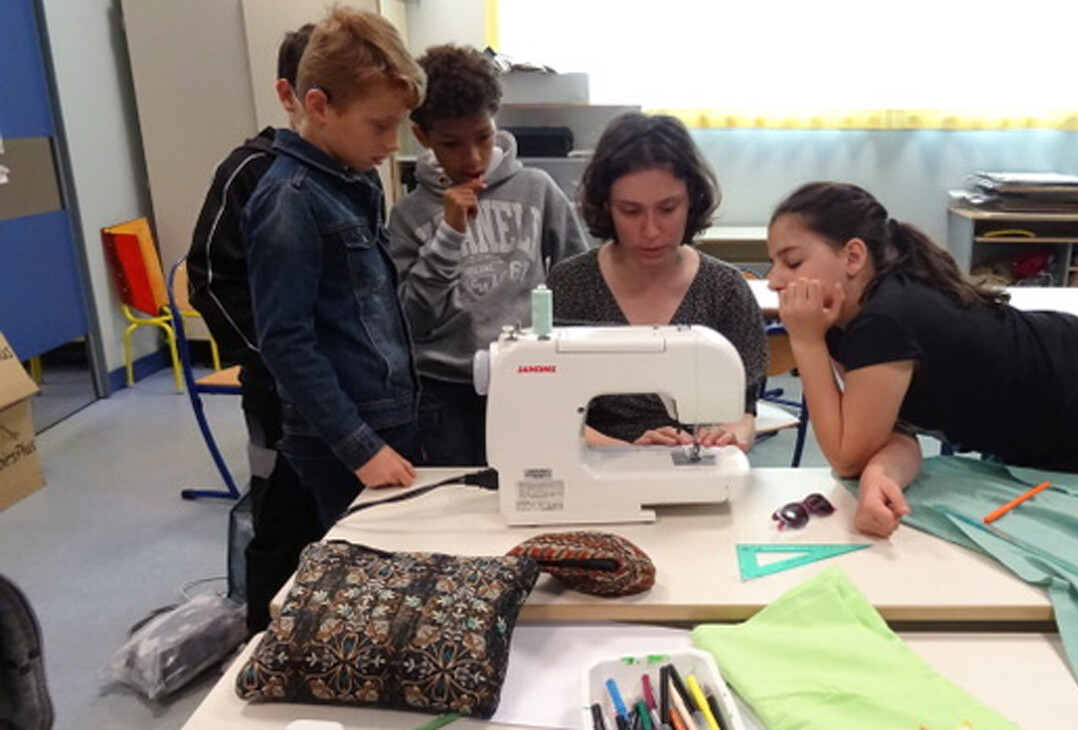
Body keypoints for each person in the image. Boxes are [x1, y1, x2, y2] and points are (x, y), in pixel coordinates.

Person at [765, 181, 1078, 538]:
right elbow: (882, 433)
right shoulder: (845, 317)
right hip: (1062, 382)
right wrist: (881, 474)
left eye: (793, 262)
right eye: (774, 263)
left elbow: (847, 457)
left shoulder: (885, 320)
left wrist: (806, 342)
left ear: (852, 256)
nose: (774, 280)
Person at [244, 7, 424, 529]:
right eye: (380, 127)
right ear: (319, 105)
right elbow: (285, 343)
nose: (392, 146)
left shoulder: (354, 181)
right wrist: (361, 448)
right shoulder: (288, 201)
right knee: (368, 569)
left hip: (388, 415)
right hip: (345, 437)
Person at [388, 43, 588, 466]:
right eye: (452, 143)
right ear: (422, 136)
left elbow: (576, 284)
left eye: (483, 136)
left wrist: (559, 360)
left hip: (529, 378)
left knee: (534, 489)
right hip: (444, 391)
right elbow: (412, 321)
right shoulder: (408, 216)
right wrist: (449, 236)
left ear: (496, 119)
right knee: (455, 502)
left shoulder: (537, 189)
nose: (473, 157)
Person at [186, 24, 323, 634]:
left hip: (340, 390)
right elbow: (210, 278)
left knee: (339, 518)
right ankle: (261, 642)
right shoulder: (248, 172)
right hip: (277, 387)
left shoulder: (352, 174)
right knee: (281, 512)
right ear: (290, 95)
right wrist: (273, 359)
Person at [546, 112, 766, 449]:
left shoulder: (725, 291)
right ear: (606, 207)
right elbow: (551, 414)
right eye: (630, 211)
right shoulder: (569, 286)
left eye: (667, 208)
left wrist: (729, 436)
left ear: (692, 199)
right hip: (598, 472)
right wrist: (629, 452)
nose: (650, 231)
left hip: (700, 473)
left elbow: (743, 414)